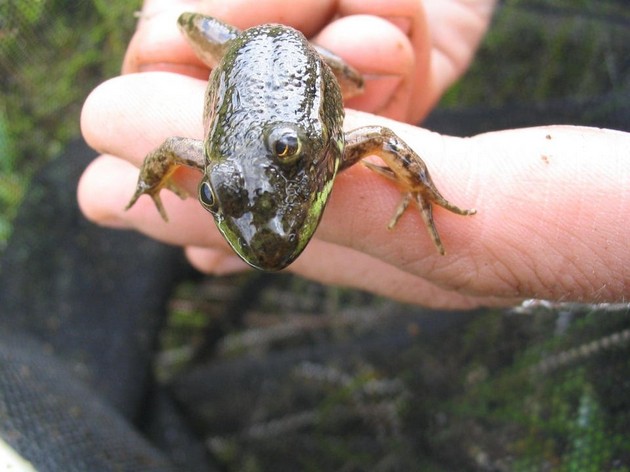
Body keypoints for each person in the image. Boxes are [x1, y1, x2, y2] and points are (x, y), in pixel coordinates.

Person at [78, 0, 630, 309]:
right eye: (214, 192)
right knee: (180, 24)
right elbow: (173, 147)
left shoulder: (330, 153)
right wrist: (153, 178)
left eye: (291, 157)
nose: (264, 227)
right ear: (212, 174)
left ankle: (329, 64)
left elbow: (382, 138)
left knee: (359, 77)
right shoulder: (212, 161)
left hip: (299, 57)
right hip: (238, 51)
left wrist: (420, 185)